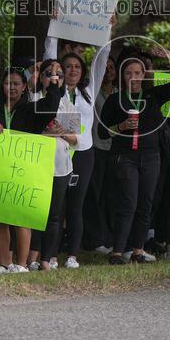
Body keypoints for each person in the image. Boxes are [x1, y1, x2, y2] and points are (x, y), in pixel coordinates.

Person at [0, 67, 62, 274]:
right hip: (0, 171)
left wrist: (54, 85)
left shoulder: (30, 110)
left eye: (16, 84)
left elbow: (51, 107)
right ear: (2, 87)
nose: (11, 87)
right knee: (0, 218)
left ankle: (21, 265)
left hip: (24, 171)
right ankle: (4, 264)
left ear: (24, 88)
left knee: (21, 217)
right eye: (7, 83)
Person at [100, 46, 170, 264]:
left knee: (145, 204)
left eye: (138, 73)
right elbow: (102, 131)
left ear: (144, 75)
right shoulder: (114, 100)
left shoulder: (153, 95)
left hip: (151, 157)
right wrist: (121, 126)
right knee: (128, 202)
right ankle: (118, 252)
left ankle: (138, 250)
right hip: (125, 156)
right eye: (128, 73)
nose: (134, 77)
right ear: (122, 76)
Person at [42, 26, 112, 269]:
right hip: (58, 152)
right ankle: (50, 255)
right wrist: (53, 29)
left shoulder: (88, 91)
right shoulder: (54, 92)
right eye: (67, 67)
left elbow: (102, 59)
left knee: (75, 206)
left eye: (77, 67)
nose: (72, 70)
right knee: (56, 207)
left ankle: (72, 255)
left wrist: (108, 29)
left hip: (83, 154)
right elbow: (49, 59)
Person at [26, 59, 79, 271]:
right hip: (35, 164)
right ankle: (31, 256)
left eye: (59, 74)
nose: (54, 77)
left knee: (54, 215)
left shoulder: (69, 106)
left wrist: (61, 133)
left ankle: (47, 259)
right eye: (49, 73)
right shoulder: (33, 101)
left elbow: (77, 139)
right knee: (34, 212)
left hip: (60, 166)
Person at [84, 55, 116, 254]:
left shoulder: (120, 92)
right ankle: (94, 239)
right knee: (94, 195)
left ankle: (109, 236)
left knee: (110, 195)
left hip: (115, 150)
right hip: (96, 147)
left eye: (112, 67)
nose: (109, 70)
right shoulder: (92, 93)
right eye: (105, 67)